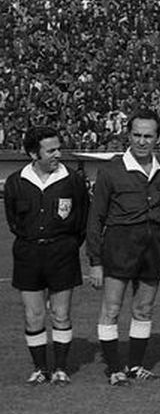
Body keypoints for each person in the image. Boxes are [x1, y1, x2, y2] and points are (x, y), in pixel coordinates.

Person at [86, 108, 160, 385]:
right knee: (111, 309)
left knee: (144, 309)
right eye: (137, 135)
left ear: (158, 137)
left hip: (153, 249)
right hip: (119, 248)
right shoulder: (111, 170)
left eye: (148, 136)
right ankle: (114, 368)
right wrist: (95, 261)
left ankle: (136, 366)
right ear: (129, 135)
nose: (142, 141)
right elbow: (95, 217)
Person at [5, 125, 90, 385]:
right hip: (28, 253)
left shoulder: (73, 180)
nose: (57, 154)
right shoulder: (16, 181)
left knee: (61, 314)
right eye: (50, 150)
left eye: (58, 149)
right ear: (33, 153)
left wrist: (65, 245)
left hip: (62, 253)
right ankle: (40, 369)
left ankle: (61, 369)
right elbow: (13, 221)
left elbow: (81, 220)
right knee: (33, 315)